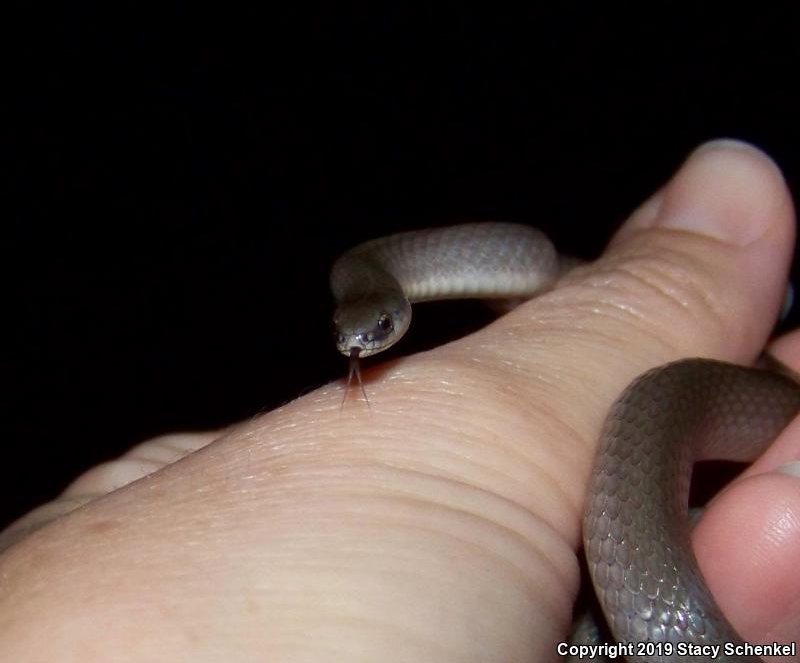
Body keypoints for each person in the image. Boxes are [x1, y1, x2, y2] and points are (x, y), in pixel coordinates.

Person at [2, 140, 798, 661]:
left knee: (681, 407)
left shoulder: (418, 274)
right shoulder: (366, 283)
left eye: (380, 331)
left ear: (401, 315)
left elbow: (538, 264)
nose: (360, 347)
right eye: (357, 334)